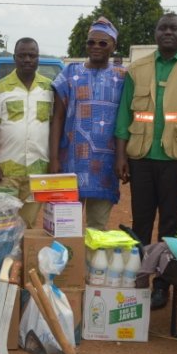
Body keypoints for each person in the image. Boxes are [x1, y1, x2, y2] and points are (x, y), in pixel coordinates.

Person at [114, 14, 177, 309]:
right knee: (141, 223)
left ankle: (163, 286)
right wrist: (121, 155)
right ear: (155, 33)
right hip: (141, 157)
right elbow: (124, 116)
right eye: (162, 28)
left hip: (176, 161)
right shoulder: (138, 69)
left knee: (170, 224)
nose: (168, 32)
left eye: (174, 28)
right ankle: (140, 278)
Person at [49, 17, 127, 230]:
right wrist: (54, 158)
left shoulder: (123, 77)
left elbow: (127, 119)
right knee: (65, 226)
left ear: (114, 46)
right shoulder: (70, 73)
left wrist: (123, 157)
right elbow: (57, 118)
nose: (96, 47)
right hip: (70, 163)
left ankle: (93, 264)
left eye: (103, 43)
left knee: (98, 228)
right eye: (91, 42)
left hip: (105, 167)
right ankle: (68, 264)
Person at [0, 37, 53, 227]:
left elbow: (55, 126)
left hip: (39, 169)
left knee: (28, 224)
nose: (27, 59)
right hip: (7, 169)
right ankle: (2, 258)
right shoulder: (0, 87)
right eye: (22, 55)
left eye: (31, 55)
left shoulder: (49, 88)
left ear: (38, 58)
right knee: (2, 223)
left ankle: (22, 258)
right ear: (14, 58)